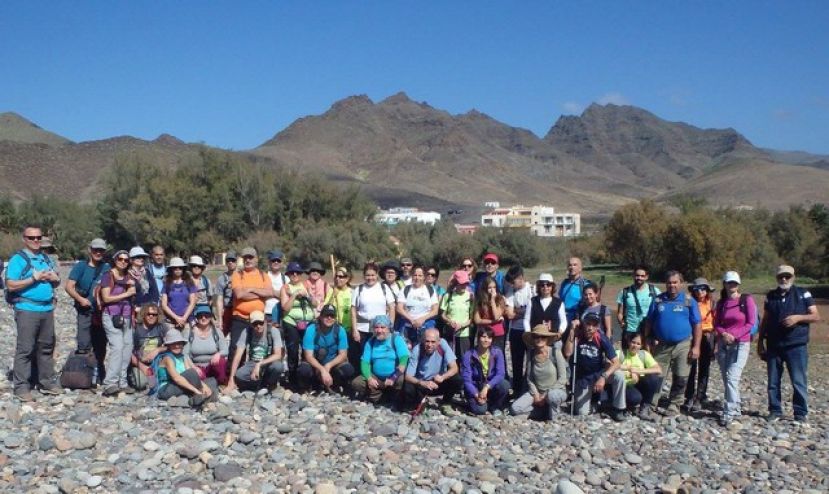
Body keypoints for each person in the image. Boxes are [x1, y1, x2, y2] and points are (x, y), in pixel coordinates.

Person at [6, 225, 62, 401]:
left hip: (46, 308)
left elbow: (56, 281)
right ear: (25, 239)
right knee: (26, 348)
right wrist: (33, 278)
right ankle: (22, 386)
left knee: (46, 346)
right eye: (32, 238)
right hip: (26, 309)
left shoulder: (45, 258)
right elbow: (11, 285)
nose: (36, 241)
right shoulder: (18, 259)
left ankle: (46, 382)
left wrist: (55, 279)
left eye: (38, 237)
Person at [758, 265, 820, 423]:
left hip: (796, 345)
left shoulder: (802, 293)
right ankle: (775, 410)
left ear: (793, 277)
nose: (784, 279)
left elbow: (815, 315)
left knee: (798, 380)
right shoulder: (771, 296)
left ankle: (800, 412)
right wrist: (760, 341)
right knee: (773, 381)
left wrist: (798, 318)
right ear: (777, 278)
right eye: (781, 277)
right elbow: (765, 319)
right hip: (774, 344)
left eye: (787, 276)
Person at [643, 271, 702, 415]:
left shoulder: (689, 301)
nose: (672, 285)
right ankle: (651, 403)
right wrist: (647, 339)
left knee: (681, 377)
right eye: (669, 283)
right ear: (666, 284)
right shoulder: (658, 300)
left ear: (680, 283)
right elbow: (649, 321)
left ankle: (674, 405)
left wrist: (696, 346)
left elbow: (697, 325)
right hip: (661, 345)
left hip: (682, 345)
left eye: (675, 282)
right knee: (656, 375)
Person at [563, 312, 627, 421]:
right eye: (588, 324)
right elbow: (567, 353)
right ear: (583, 324)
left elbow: (616, 363)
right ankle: (598, 405)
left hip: (598, 374)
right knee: (582, 413)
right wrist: (572, 331)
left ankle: (619, 409)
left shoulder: (601, 339)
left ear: (597, 327)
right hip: (583, 378)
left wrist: (603, 377)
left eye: (594, 325)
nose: (590, 328)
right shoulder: (577, 336)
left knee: (619, 376)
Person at [713, 271, 755, 426]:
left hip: (741, 344)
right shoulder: (721, 303)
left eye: (734, 283)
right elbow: (716, 323)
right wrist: (724, 334)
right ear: (724, 284)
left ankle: (729, 411)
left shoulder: (747, 300)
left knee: (732, 377)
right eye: (729, 283)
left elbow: (750, 323)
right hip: (724, 344)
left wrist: (734, 335)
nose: (732, 286)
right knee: (726, 377)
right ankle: (736, 407)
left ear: (738, 284)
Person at [65, 238, 110, 382]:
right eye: (95, 250)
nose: (98, 252)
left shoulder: (107, 268)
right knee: (84, 343)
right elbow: (69, 286)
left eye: (101, 250)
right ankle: (83, 374)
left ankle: (98, 374)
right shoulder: (80, 267)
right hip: (84, 310)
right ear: (90, 250)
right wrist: (80, 299)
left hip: (101, 312)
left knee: (101, 344)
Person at [99, 249, 137, 396]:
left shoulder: (129, 276)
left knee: (127, 348)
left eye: (126, 260)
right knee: (117, 347)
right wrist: (126, 293)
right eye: (120, 259)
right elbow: (106, 298)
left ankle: (122, 382)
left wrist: (132, 286)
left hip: (127, 316)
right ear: (115, 260)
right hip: (111, 315)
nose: (123, 262)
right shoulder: (108, 276)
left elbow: (134, 292)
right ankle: (110, 383)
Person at [510, 325, 567, 420]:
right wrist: (536, 394)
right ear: (533, 339)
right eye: (536, 336)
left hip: (555, 390)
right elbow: (529, 378)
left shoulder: (555, 352)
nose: (539, 339)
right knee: (515, 408)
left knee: (552, 396)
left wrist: (545, 395)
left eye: (543, 336)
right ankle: (541, 413)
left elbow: (563, 378)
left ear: (547, 338)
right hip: (537, 391)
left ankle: (551, 413)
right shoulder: (531, 353)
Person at [228, 247, 273, 367]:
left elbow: (270, 292)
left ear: (256, 259)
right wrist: (260, 295)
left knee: (257, 348)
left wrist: (252, 289)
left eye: (251, 257)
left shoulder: (263, 275)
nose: (248, 260)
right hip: (240, 317)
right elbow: (239, 294)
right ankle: (232, 376)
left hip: (258, 319)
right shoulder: (237, 275)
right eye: (245, 258)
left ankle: (253, 375)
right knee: (236, 347)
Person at [296, 304, 355, 393]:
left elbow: (343, 354)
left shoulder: (340, 330)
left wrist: (328, 366)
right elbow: (308, 356)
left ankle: (335, 384)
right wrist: (321, 369)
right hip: (315, 365)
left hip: (332, 365)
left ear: (335, 318)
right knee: (303, 369)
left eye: (332, 316)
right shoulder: (311, 329)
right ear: (320, 316)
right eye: (326, 315)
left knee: (348, 370)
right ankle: (309, 386)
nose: (329, 318)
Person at [402, 328, 463, 413]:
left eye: (433, 342)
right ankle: (414, 403)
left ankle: (446, 402)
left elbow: (455, 368)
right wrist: (423, 383)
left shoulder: (443, 345)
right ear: (423, 341)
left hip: (437, 382)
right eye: (427, 341)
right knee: (408, 387)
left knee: (457, 379)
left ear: (438, 341)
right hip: (422, 384)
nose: (430, 345)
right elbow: (408, 376)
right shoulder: (417, 350)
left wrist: (442, 377)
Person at [352, 315, 409, 403]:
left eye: (383, 327)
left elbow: (404, 358)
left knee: (401, 379)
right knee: (357, 383)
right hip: (376, 378)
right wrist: (369, 378)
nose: (379, 330)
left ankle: (392, 396)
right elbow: (365, 362)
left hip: (393, 376)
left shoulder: (396, 339)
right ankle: (378, 395)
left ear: (389, 328)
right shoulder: (370, 342)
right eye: (376, 327)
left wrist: (393, 377)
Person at [225, 310, 285, 393]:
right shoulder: (246, 331)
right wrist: (232, 378)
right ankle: (259, 384)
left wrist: (260, 364)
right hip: (252, 362)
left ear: (265, 321)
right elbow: (238, 355)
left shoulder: (273, 331)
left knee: (278, 366)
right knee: (239, 375)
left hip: (268, 362)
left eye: (261, 323)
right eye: (255, 324)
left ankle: (270, 384)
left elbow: (278, 355)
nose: (258, 326)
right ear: (250, 324)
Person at [155, 329, 218, 407]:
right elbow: (177, 378)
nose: (177, 346)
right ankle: (200, 397)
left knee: (212, 380)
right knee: (192, 373)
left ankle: (200, 397)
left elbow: (192, 377)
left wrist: (204, 386)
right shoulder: (168, 358)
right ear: (168, 345)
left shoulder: (183, 356)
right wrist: (196, 390)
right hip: (166, 389)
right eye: (173, 343)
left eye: (179, 343)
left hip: (181, 385)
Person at [350, 262, 395, 366]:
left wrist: (390, 327)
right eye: (367, 275)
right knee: (363, 356)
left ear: (377, 275)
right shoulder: (359, 289)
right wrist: (355, 330)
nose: (370, 278)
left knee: (377, 355)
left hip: (380, 329)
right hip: (362, 330)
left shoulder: (384, 288)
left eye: (372, 275)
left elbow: (392, 308)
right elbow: (353, 311)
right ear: (364, 276)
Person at [460, 327, 510, 415]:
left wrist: (487, 387)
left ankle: (494, 406)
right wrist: (476, 394)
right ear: (478, 338)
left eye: (489, 338)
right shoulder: (469, 355)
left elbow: (500, 374)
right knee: (480, 410)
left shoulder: (497, 352)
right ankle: (478, 402)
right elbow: (467, 380)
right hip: (475, 387)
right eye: (483, 337)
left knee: (504, 385)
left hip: (489, 386)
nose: (486, 340)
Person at [684, 277, 716, 412]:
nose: (700, 292)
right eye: (697, 289)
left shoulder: (713, 303)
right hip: (692, 336)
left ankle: (700, 397)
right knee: (690, 367)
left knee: (704, 368)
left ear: (707, 290)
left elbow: (717, 321)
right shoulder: (688, 302)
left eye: (703, 289)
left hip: (708, 336)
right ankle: (689, 396)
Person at [281, 262, 317, 382]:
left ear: (301, 274)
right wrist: (294, 295)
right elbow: (285, 308)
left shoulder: (306, 286)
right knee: (293, 351)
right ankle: (292, 379)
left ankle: (306, 376)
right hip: (291, 322)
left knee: (308, 349)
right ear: (288, 274)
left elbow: (315, 303)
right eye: (292, 272)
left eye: (297, 272)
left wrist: (306, 296)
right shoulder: (285, 288)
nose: (294, 274)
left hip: (308, 322)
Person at [619, 332, 663, 421]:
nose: (635, 346)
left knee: (653, 378)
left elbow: (658, 369)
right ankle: (625, 406)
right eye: (633, 342)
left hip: (638, 383)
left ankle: (644, 408)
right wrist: (629, 370)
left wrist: (638, 371)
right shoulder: (621, 353)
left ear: (641, 345)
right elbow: (610, 365)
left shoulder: (643, 354)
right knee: (635, 398)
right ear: (628, 342)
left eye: (638, 344)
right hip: (625, 384)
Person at [505, 265, 534, 394]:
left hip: (530, 330)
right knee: (516, 362)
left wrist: (519, 311)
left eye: (513, 281)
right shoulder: (511, 292)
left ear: (521, 278)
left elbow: (534, 311)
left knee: (531, 361)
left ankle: (529, 388)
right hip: (515, 331)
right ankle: (517, 389)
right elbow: (510, 314)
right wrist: (524, 311)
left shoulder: (532, 290)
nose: (511, 284)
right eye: (510, 282)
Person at [184, 305, 229, 385]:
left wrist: (218, 354)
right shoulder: (189, 333)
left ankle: (221, 383)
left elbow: (225, 350)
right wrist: (193, 367)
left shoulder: (217, 332)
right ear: (196, 317)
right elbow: (185, 354)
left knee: (221, 362)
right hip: (197, 366)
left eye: (206, 315)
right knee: (195, 377)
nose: (203, 318)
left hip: (212, 365)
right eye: (200, 315)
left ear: (211, 316)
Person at [397, 265, 439, 346]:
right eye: (415, 275)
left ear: (424, 277)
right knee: (407, 350)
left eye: (420, 275)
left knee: (422, 350)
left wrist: (422, 319)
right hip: (407, 326)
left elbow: (435, 310)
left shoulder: (430, 290)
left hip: (425, 326)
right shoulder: (405, 289)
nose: (417, 278)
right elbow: (399, 308)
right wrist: (412, 320)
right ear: (412, 276)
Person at [129, 303, 167, 391]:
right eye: (148, 314)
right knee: (140, 384)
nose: (151, 316)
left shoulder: (162, 328)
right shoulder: (136, 329)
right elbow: (128, 353)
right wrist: (142, 366)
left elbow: (171, 347)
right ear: (143, 315)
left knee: (157, 383)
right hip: (140, 363)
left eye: (154, 314)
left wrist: (158, 350)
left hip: (158, 362)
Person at [438, 270, 475, 357]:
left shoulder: (470, 296)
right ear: (456, 283)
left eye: (466, 283)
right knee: (450, 358)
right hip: (450, 332)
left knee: (464, 358)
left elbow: (471, 318)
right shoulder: (448, 295)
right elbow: (442, 314)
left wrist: (462, 325)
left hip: (464, 333)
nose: (464, 286)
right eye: (461, 283)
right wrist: (449, 321)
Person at [616, 265, 659, 335]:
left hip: (649, 330)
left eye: (642, 276)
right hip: (630, 330)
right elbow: (619, 313)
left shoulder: (655, 291)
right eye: (637, 275)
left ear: (647, 277)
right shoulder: (624, 292)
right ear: (633, 276)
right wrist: (622, 324)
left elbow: (660, 310)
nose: (639, 278)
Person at [160, 257, 197, 331]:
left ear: (183, 269)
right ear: (171, 269)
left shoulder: (189, 282)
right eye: (175, 268)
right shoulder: (167, 284)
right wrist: (176, 318)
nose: (178, 270)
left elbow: (192, 302)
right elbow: (164, 305)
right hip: (171, 321)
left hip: (187, 320)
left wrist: (184, 318)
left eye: (180, 268)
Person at [473, 278, 507, 356]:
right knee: (484, 356)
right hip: (484, 333)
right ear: (485, 288)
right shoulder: (479, 300)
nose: (492, 290)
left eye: (494, 287)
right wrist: (493, 322)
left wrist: (492, 300)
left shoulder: (500, 299)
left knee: (498, 356)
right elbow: (477, 320)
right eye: (490, 288)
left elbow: (496, 316)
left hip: (498, 333)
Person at [559, 257, 593, 323]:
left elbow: (593, 304)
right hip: (563, 318)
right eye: (570, 265)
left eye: (575, 265)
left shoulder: (585, 284)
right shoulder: (564, 283)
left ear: (580, 268)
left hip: (578, 319)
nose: (572, 267)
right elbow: (560, 300)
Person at [328, 266, 353, 354]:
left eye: (341, 277)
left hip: (348, 330)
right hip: (334, 329)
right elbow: (326, 309)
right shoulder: (331, 291)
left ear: (347, 279)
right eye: (337, 276)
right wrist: (333, 296)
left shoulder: (352, 292)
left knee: (349, 354)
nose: (338, 279)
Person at [128, 246, 159, 315]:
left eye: (143, 257)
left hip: (149, 311)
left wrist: (153, 306)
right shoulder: (127, 274)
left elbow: (154, 291)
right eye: (138, 257)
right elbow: (126, 295)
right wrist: (134, 308)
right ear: (131, 260)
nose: (141, 259)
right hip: (134, 311)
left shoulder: (147, 272)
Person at [215, 251, 237, 336]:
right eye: (228, 261)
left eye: (233, 260)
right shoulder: (221, 279)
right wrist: (220, 319)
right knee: (221, 335)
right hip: (227, 309)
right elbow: (219, 300)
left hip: (238, 310)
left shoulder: (242, 276)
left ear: (236, 262)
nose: (230, 262)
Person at [263, 249, 287, 326]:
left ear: (281, 263)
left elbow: (288, 297)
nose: (276, 262)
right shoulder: (263, 276)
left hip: (280, 315)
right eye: (273, 260)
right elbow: (259, 293)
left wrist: (270, 292)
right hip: (264, 314)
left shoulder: (286, 279)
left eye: (278, 261)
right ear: (269, 262)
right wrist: (279, 293)